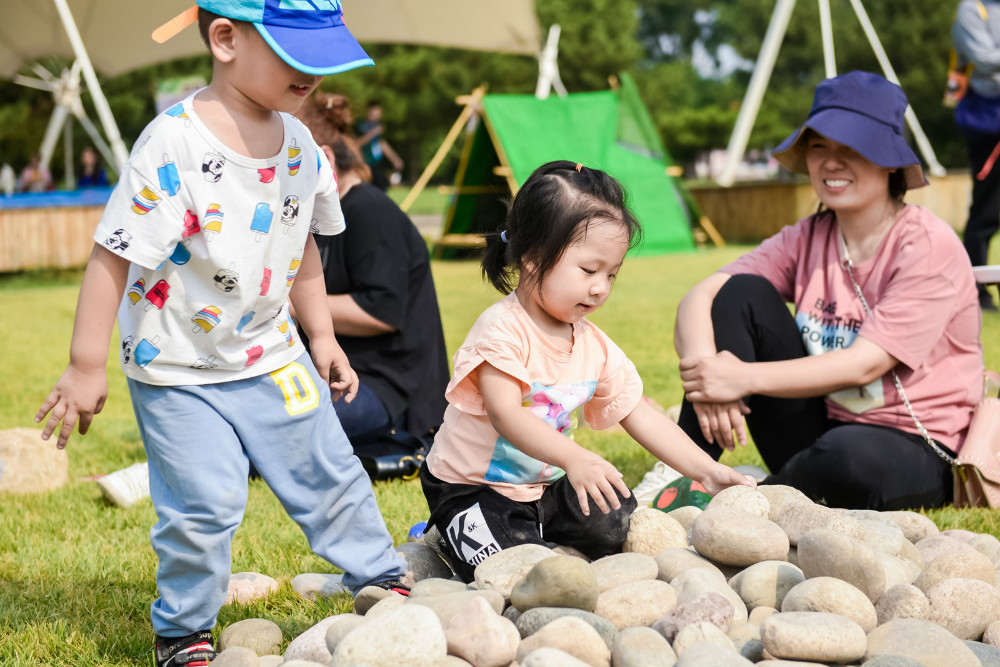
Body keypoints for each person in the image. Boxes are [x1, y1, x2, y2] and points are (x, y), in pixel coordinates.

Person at [33, 3, 409, 666]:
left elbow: (303, 252)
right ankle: (182, 630)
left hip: (272, 351)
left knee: (329, 467)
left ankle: (381, 577)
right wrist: (86, 363)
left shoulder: (300, 147)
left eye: (322, 55)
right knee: (203, 501)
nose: (314, 72)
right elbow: (114, 252)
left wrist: (321, 335)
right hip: (177, 364)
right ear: (226, 38)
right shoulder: (172, 144)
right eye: (297, 54)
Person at [420, 160, 756, 582]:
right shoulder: (501, 330)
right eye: (588, 270)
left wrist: (706, 471)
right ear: (532, 256)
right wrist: (574, 457)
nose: (601, 287)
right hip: (472, 488)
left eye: (611, 274)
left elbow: (639, 412)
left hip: (544, 487)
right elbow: (506, 414)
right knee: (513, 571)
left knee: (612, 519)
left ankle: (538, 533)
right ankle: (446, 533)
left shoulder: (592, 342)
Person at [674, 71, 985, 511]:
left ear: (890, 160)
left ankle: (747, 500)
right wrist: (707, 375)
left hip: (912, 443)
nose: (831, 163)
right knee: (740, 293)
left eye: (851, 148)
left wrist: (740, 378)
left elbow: (865, 365)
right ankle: (683, 472)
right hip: (820, 427)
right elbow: (699, 297)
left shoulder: (927, 245)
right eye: (819, 147)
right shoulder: (809, 235)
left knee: (847, 460)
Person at [307, 134, 450, 450]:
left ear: (326, 159)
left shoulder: (370, 210)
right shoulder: (323, 217)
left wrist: (294, 305)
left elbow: (380, 311)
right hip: (339, 375)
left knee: (283, 431)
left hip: (386, 387)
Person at [953, 0, 1000, 311]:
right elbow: (983, 59)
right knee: (987, 212)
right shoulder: (971, 9)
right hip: (989, 122)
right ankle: (977, 293)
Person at [355, 101, 404, 190]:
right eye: (375, 113)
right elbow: (356, 144)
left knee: (383, 185)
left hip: (376, 165)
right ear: (369, 113)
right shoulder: (360, 125)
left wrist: (395, 159)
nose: (378, 116)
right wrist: (373, 133)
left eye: (379, 114)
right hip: (364, 164)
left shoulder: (377, 125)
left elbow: (382, 144)